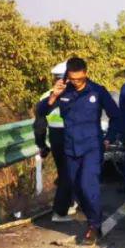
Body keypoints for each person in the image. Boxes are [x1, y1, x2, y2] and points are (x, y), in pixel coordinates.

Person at [37, 56, 125, 245]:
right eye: (73, 79)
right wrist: (53, 95)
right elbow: (40, 112)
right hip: (69, 148)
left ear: (86, 73)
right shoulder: (63, 91)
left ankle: (94, 226)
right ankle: (91, 218)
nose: (76, 82)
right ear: (67, 76)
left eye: (80, 78)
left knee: (88, 186)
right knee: (75, 187)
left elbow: (116, 116)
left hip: (92, 147)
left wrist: (109, 138)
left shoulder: (97, 91)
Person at [35, 62, 77, 221]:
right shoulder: (72, 94)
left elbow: (39, 124)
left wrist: (41, 144)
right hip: (68, 136)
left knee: (65, 172)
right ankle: (59, 212)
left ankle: (69, 203)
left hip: (55, 137)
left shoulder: (45, 96)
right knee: (68, 173)